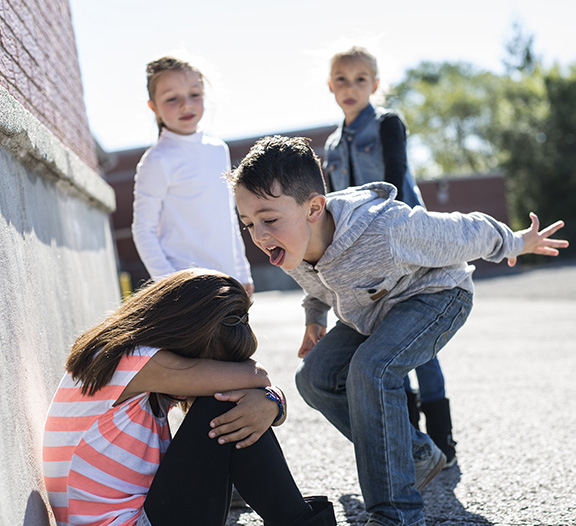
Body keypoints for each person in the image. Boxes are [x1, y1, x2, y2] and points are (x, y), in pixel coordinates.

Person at [227, 135, 568, 526]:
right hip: (374, 311)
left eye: (268, 219)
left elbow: (463, 231)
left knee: (371, 369)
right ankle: (417, 455)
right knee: (314, 378)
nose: (259, 234)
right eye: (248, 223)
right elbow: (318, 287)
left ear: (314, 208)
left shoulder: (385, 229)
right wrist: (314, 320)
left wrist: (515, 241)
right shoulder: (295, 247)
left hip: (437, 297)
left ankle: (397, 514)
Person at [42, 268, 337, 526]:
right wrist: (269, 398)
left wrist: (272, 402)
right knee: (223, 403)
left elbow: (258, 386)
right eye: (212, 363)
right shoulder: (133, 361)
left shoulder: (127, 360)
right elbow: (256, 378)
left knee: (233, 404)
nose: (211, 372)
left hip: (140, 515)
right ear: (187, 334)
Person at [323, 46, 456, 467]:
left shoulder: (387, 124)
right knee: (384, 345)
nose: (351, 87)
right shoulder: (330, 144)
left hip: (406, 248)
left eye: (361, 79)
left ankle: (443, 440)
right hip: (363, 260)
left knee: (422, 348)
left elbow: (396, 181)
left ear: (375, 85)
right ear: (330, 86)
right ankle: (413, 444)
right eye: (342, 79)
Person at [132, 56, 253, 295]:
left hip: (228, 282)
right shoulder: (157, 160)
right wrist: (170, 284)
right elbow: (143, 229)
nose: (186, 105)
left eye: (194, 94)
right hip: (187, 290)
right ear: (153, 106)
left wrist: (242, 272)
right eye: (172, 98)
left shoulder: (219, 150)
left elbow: (228, 217)